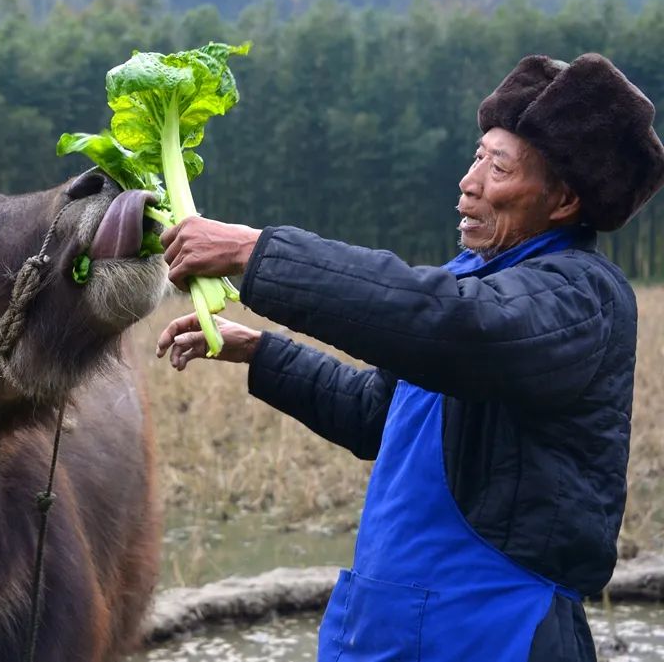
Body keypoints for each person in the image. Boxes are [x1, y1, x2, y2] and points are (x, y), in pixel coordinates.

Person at [155, 53, 664, 661]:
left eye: (497, 167)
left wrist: (256, 251)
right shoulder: (468, 280)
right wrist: (261, 352)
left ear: (562, 202)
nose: (469, 182)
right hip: (385, 625)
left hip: (493, 630)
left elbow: (456, 325)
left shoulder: (581, 295)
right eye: (477, 156)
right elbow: (379, 413)